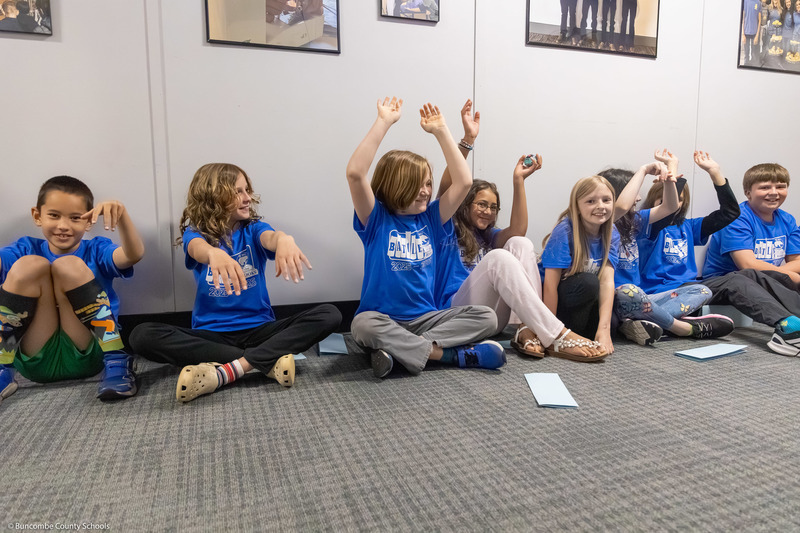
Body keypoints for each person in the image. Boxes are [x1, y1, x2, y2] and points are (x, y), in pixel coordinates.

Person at [129, 163, 341, 402]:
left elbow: (270, 237)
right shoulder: (196, 234)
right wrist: (213, 253)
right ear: (214, 197)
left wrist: (285, 239)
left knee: (330, 314)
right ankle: (264, 361)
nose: (247, 198)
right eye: (238, 192)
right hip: (211, 335)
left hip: (260, 330)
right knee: (140, 335)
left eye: (247, 190)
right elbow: (197, 248)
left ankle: (228, 370)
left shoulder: (253, 229)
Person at [435, 99, 607, 363]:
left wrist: (519, 180)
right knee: (498, 258)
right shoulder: (444, 226)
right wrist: (467, 140)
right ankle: (554, 334)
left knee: (521, 243)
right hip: (455, 313)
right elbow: (449, 186)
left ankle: (526, 328)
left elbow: (518, 230)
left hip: (492, 318)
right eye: (481, 204)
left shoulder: (488, 237)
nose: (488, 212)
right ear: (464, 204)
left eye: (494, 207)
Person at [346, 97, 505, 378]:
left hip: (426, 320)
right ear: (394, 185)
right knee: (361, 325)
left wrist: (442, 130)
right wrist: (383, 122)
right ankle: (450, 356)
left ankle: (398, 352)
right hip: (383, 318)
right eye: (416, 184)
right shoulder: (376, 218)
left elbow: (464, 182)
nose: (425, 191)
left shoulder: (431, 218)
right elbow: (356, 174)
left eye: (428, 183)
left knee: (487, 317)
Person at [0, 176, 144, 404]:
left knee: (68, 265)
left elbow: (132, 256)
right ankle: (2, 367)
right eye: (54, 215)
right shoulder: (26, 248)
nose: (63, 226)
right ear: (37, 216)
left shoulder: (96, 248)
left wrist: (123, 217)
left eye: (75, 218)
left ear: (88, 222)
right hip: (35, 358)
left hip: (91, 352)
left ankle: (116, 358)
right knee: (29, 264)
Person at [610, 151, 736, 345]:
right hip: (630, 293)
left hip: (663, 297)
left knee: (703, 291)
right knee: (629, 291)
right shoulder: (645, 226)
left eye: (681, 199)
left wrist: (714, 172)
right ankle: (683, 328)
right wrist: (671, 168)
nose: (637, 198)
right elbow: (667, 211)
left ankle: (642, 323)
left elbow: (729, 212)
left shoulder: (687, 226)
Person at [701, 162, 800, 355]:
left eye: (780, 186)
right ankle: (790, 329)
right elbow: (746, 264)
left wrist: (789, 276)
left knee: (766, 276)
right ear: (748, 193)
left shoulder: (787, 219)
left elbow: (797, 261)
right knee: (747, 274)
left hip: (762, 281)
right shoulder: (738, 218)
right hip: (721, 283)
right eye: (764, 187)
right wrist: (792, 277)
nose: (774, 192)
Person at [541, 175, 620, 355]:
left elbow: (607, 281)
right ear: (577, 207)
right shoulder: (564, 230)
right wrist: (550, 333)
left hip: (582, 301)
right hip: (558, 302)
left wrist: (604, 329)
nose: (600, 206)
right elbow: (550, 286)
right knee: (588, 281)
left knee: (614, 323)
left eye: (606, 200)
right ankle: (565, 336)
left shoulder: (612, 233)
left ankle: (582, 334)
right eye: (591, 201)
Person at [742, 0, 763, 65]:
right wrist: (743, 34)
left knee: (754, 56)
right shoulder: (745, 1)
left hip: (755, 33)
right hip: (746, 32)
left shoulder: (758, 3)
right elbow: (743, 19)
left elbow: (759, 21)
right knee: (746, 55)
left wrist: (757, 36)